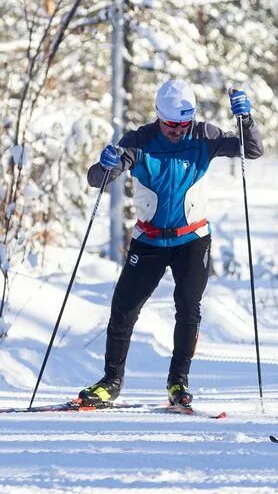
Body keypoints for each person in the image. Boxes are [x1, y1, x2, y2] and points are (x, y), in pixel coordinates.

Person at [79, 80, 262, 407]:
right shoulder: (139, 141)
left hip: (192, 240)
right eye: (170, 124)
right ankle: (110, 382)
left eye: (183, 124)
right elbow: (97, 180)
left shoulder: (205, 135)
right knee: (123, 309)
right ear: (159, 118)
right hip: (148, 240)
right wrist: (104, 164)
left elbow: (251, 151)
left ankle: (178, 383)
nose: (177, 130)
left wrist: (245, 120)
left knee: (188, 309)